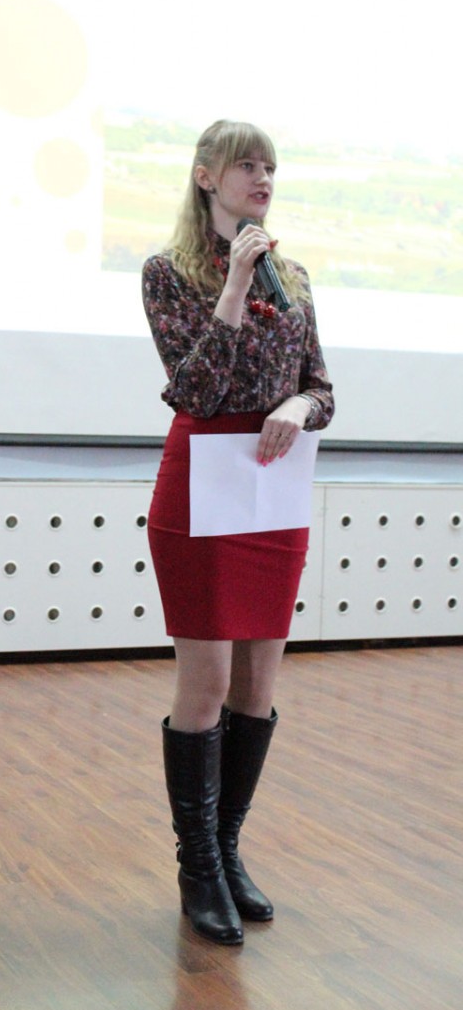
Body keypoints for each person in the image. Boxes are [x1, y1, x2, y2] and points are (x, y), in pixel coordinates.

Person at [141, 120, 334, 946]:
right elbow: (193, 390)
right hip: (203, 487)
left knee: (258, 685)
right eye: (247, 165)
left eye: (270, 166)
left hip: (271, 490)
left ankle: (227, 850)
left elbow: (322, 388)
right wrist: (233, 285)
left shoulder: (295, 276)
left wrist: (298, 404)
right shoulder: (168, 272)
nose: (262, 178)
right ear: (205, 176)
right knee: (208, 682)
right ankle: (197, 868)